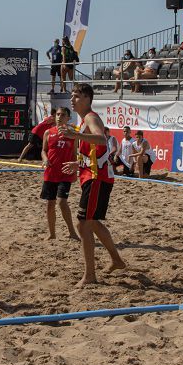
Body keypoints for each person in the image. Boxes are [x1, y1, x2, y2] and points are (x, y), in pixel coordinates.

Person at [58, 83, 126, 286]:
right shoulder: (83, 120)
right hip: (92, 175)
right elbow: (95, 153)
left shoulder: (90, 117)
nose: (72, 99)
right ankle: (116, 260)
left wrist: (76, 135)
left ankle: (90, 275)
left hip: (97, 178)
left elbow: (102, 140)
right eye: (71, 95)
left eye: (77, 95)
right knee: (92, 222)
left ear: (87, 98)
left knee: (83, 224)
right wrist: (78, 163)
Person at [40, 107, 79, 241]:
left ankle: (72, 232)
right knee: (50, 204)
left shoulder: (73, 134)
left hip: (65, 172)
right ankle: (52, 234)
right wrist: (45, 159)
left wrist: (74, 170)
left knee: (62, 202)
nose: (59, 117)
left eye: (63, 115)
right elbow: (43, 150)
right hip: (50, 173)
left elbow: (75, 154)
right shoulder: (48, 132)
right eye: (57, 114)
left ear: (68, 118)